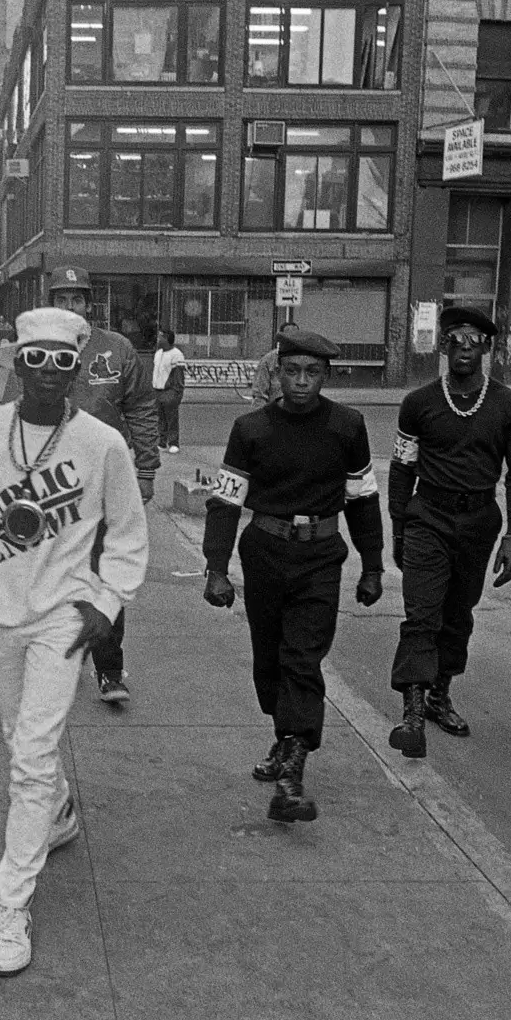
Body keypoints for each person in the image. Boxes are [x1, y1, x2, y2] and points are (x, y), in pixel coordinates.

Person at [0, 307, 148, 976]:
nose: (49, 373)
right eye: (36, 359)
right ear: (17, 363)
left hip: (60, 617)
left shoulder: (103, 444)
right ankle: (56, 812)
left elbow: (129, 534)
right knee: (16, 735)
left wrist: (105, 605)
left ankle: (12, 903)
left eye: (63, 361)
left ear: (78, 369)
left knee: (29, 754)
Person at [201, 330, 382, 821]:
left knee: (303, 657)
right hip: (264, 553)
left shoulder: (347, 426)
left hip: (321, 556)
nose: (301, 382)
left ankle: (292, 769)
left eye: (312, 373)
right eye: (292, 371)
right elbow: (226, 500)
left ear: (326, 376)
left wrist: (372, 565)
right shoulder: (250, 428)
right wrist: (216, 569)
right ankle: (284, 737)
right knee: (269, 659)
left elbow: (363, 499)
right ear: (277, 373)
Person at [0, 266, 159, 707]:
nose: (70, 307)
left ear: (90, 304)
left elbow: (143, 408)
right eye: (61, 299)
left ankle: (108, 668)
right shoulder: (32, 351)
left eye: (77, 299)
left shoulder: (117, 349)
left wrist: (145, 470)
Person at [385, 306, 511, 759]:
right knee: (421, 614)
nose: (465, 347)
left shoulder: (510, 405)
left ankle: (438, 695)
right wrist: (398, 525)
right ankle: (412, 713)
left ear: (488, 347)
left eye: (475, 339)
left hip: (478, 522)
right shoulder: (418, 403)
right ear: (444, 345)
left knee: (458, 614)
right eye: (456, 338)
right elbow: (401, 466)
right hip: (427, 517)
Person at [246, 322, 300, 407]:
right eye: (288, 336)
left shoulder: (304, 360)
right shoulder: (268, 361)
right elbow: (260, 395)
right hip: (276, 414)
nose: (292, 340)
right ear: (281, 338)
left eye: (296, 336)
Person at [150, 328, 187, 452]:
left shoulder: (177, 354)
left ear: (167, 339)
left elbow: (179, 376)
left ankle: (173, 443)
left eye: (161, 337)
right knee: (160, 418)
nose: (158, 339)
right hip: (157, 390)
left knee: (171, 418)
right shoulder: (158, 353)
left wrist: (176, 393)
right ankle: (161, 441)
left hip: (170, 391)